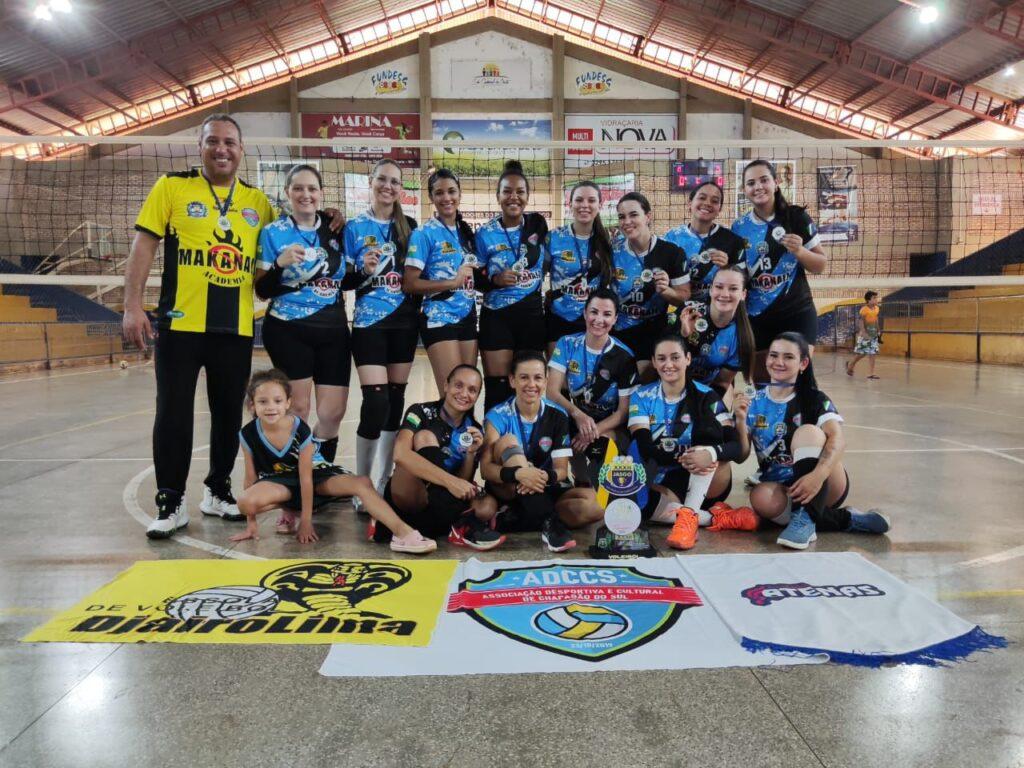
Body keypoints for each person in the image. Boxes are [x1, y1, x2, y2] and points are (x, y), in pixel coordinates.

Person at [123, 114, 276, 539]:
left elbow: (291, 237)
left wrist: (330, 218)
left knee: (229, 415)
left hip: (236, 329)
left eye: (229, 142)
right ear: (200, 146)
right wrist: (132, 305)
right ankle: (170, 501)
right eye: (213, 141)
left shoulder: (259, 203)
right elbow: (143, 247)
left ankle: (217, 491)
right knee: (172, 412)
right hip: (180, 325)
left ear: (241, 149)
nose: (221, 149)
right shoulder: (171, 187)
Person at [229, 369, 436, 553]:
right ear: (252, 405)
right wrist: (251, 523)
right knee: (244, 502)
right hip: (281, 483)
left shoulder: (298, 428)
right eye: (263, 402)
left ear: (288, 403)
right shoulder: (247, 434)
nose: (271, 407)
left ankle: (403, 533)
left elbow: (306, 477)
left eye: (277, 401)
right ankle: (291, 509)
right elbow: (250, 479)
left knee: (362, 482)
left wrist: (307, 522)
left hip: (315, 475)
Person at [733, 332, 890, 550]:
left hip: (824, 482)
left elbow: (838, 440)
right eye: (773, 355)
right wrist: (740, 422)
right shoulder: (753, 402)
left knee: (809, 432)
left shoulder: (815, 398)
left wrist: (817, 477)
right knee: (759, 498)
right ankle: (847, 519)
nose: (778, 362)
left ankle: (805, 519)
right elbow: (741, 456)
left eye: (788, 357)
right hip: (785, 487)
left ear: (803, 363)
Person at [254, 164, 359, 468]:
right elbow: (262, 290)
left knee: (333, 412)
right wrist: (279, 265)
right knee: (298, 407)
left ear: (321, 193)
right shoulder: (273, 233)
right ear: (287, 193)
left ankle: (320, 470)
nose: (305, 194)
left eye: (312, 188)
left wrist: (365, 269)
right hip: (288, 329)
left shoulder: (337, 228)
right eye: (298, 188)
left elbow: (347, 279)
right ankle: (292, 476)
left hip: (334, 329)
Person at [627, 334, 752, 551]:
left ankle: (686, 525)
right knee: (637, 507)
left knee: (706, 445)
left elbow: (735, 446)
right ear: (654, 362)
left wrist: (710, 454)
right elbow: (645, 447)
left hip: (708, 479)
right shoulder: (642, 396)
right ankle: (712, 518)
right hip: (667, 478)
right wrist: (682, 457)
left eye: (675, 357)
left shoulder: (707, 396)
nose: (669, 365)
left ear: (687, 358)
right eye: (662, 358)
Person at [345, 158, 419, 506]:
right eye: (382, 180)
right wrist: (362, 269)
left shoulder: (411, 227)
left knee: (394, 402)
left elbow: (419, 274)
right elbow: (342, 279)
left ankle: (384, 480)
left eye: (394, 182)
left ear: (401, 189)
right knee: (376, 401)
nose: (388, 186)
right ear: (371, 183)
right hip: (368, 324)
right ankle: (362, 484)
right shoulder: (354, 227)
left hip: (404, 324)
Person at [481, 352, 600, 552]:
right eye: (524, 377)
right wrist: (520, 473)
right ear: (512, 380)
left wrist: (542, 476)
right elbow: (485, 469)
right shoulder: (497, 415)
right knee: (509, 441)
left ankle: (518, 517)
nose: (531, 384)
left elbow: (561, 470)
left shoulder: (558, 415)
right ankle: (549, 523)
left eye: (537, 378)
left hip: (545, 486)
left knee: (597, 505)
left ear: (545, 381)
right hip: (508, 488)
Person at [382, 365, 504, 551]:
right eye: (458, 385)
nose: (464, 393)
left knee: (488, 506)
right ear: (446, 385)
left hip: (443, 501)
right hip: (413, 493)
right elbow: (400, 454)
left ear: (478, 395)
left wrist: (471, 453)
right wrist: (449, 482)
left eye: (472, 390)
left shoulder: (474, 429)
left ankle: (449, 524)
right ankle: (460, 525)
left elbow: (463, 482)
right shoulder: (420, 411)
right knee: (424, 437)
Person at [732, 159, 827, 366]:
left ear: (776, 183)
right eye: (751, 183)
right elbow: (740, 275)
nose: (758, 187)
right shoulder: (739, 227)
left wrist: (800, 251)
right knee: (762, 384)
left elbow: (820, 265)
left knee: (799, 378)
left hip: (797, 312)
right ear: (744, 190)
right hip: (758, 316)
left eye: (764, 180)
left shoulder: (796, 218)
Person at [475, 160, 549, 412]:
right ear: (498, 196)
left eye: (520, 191)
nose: (513, 197)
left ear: (527, 196)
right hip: (497, 318)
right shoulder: (484, 233)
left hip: (531, 317)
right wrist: (495, 280)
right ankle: (492, 448)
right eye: (507, 191)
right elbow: (475, 278)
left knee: (529, 389)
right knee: (498, 388)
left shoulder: (537, 224)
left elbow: (545, 260)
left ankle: (526, 445)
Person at [547, 288, 637, 487]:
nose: (599, 319)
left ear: (615, 319)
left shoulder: (624, 357)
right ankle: (580, 483)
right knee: (557, 426)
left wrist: (592, 431)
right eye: (594, 312)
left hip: (609, 424)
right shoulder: (567, 343)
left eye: (607, 314)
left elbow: (623, 413)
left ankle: (610, 491)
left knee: (600, 444)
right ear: (585, 313)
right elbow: (551, 392)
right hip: (577, 415)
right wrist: (577, 415)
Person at [403, 168, 480, 395]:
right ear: (431, 198)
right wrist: (452, 283)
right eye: (439, 193)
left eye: (451, 191)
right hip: (439, 318)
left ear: (459, 194)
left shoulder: (466, 233)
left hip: (467, 317)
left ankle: (465, 433)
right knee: (452, 395)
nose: (446, 198)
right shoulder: (424, 233)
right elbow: (409, 283)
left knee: (468, 394)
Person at [611, 192, 690, 378]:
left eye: (633, 215)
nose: (627, 221)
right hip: (620, 330)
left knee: (642, 379)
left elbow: (684, 296)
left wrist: (666, 291)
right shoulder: (612, 251)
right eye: (622, 217)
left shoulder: (671, 252)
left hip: (654, 331)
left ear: (648, 216)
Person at [544, 181, 614, 356]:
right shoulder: (553, 237)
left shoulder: (609, 240)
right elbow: (536, 275)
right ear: (570, 204)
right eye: (579, 200)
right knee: (560, 380)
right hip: (558, 318)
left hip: (593, 321)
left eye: (591, 200)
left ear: (600, 205)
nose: (585, 205)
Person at [663, 181, 747, 319]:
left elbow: (743, 281)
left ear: (719, 209)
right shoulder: (671, 238)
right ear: (689, 203)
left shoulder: (732, 240)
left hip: (717, 313)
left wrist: (728, 268)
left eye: (714, 201)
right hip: (678, 313)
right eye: (702, 198)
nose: (707, 203)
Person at [675, 265, 755, 402]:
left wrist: (707, 408)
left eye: (733, 289)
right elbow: (663, 361)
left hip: (704, 394)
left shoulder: (741, 335)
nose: (724, 294)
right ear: (711, 290)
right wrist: (683, 335)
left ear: (743, 294)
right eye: (719, 287)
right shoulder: (687, 312)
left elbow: (721, 383)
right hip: (670, 387)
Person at [847, 291, 882, 379]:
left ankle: (871, 373)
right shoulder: (864, 310)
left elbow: (876, 319)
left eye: (876, 298)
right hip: (865, 335)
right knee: (862, 353)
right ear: (868, 300)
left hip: (873, 334)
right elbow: (861, 321)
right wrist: (864, 332)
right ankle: (851, 364)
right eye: (874, 298)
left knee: (873, 353)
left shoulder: (877, 308)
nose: (876, 299)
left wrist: (878, 330)